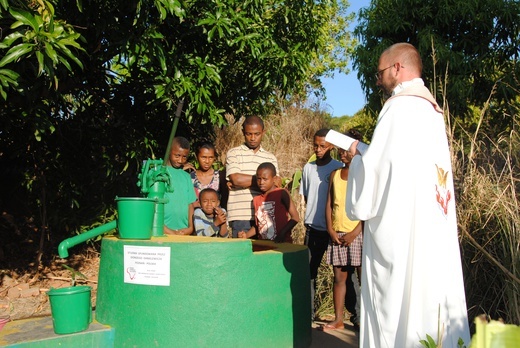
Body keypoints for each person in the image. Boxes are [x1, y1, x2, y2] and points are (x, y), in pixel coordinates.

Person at [346, 43, 470, 347]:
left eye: (380, 73)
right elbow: (400, 166)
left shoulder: (397, 108)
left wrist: (357, 158)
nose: (378, 80)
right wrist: (368, 154)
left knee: (401, 298)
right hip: (432, 224)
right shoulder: (432, 112)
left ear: (397, 68)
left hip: (401, 229)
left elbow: (376, 172)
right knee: (432, 291)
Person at [321, 129, 363, 331]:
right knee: (339, 278)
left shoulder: (364, 173)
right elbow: (329, 203)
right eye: (340, 150)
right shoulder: (335, 174)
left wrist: (355, 232)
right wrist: (330, 229)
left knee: (365, 280)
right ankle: (338, 319)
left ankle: (367, 319)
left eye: (346, 150)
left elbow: (368, 207)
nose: (342, 154)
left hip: (358, 234)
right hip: (337, 234)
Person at [299, 128, 343, 320]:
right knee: (309, 271)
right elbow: (308, 196)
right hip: (313, 229)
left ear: (331, 146)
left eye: (322, 146)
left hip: (334, 230)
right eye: (315, 145)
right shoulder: (308, 168)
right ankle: (309, 313)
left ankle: (353, 315)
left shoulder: (339, 167)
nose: (318, 149)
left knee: (342, 275)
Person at [226, 116, 279, 238]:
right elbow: (235, 179)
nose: (253, 138)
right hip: (241, 215)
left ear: (263, 132)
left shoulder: (270, 158)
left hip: (265, 215)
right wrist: (265, 182)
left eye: (257, 134)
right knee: (241, 255)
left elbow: (276, 184)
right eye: (249, 134)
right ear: (243, 132)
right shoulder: (234, 153)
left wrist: (242, 182)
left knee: (263, 255)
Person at [238, 162, 299, 243]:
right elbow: (259, 225)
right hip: (264, 245)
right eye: (258, 179)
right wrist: (246, 235)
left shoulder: (281, 193)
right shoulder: (256, 200)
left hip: (282, 244)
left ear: (274, 179)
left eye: (265, 179)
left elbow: (295, 218)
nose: (261, 182)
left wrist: (282, 234)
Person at [163, 136, 197, 235]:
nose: (180, 160)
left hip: (183, 231)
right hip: (164, 231)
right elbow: (152, 206)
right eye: (177, 156)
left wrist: (190, 227)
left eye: (184, 157)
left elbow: (190, 204)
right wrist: (167, 230)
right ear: (169, 151)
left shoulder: (186, 176)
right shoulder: (159, 173)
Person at [188, 143, 229, 209]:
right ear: (196, 157)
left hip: (216, 218)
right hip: (195, 217)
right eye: (203, 157)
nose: (207, 161)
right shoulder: (189, 177)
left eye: (210, 157)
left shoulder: (220, 177)